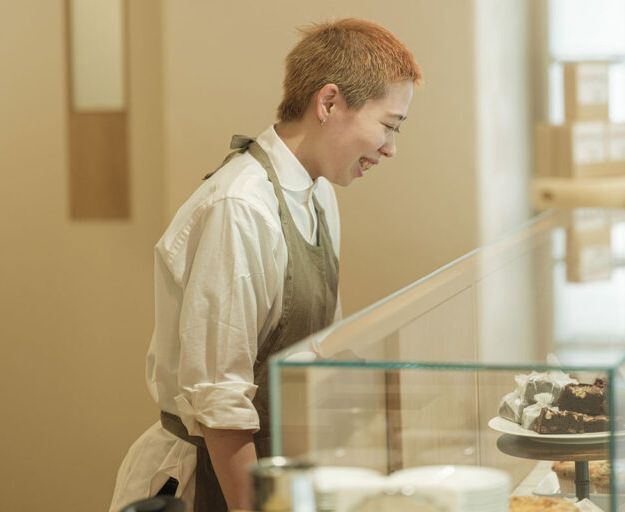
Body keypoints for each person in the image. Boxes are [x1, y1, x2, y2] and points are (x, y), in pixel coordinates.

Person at [109, 18, 422, 512]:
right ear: (329, 103)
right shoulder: (241, 207)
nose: (391, 148)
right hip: (210, 484)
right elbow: (220, 404)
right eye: (388, 126)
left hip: (275, 474)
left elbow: (318, 353)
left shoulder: (319, 194)